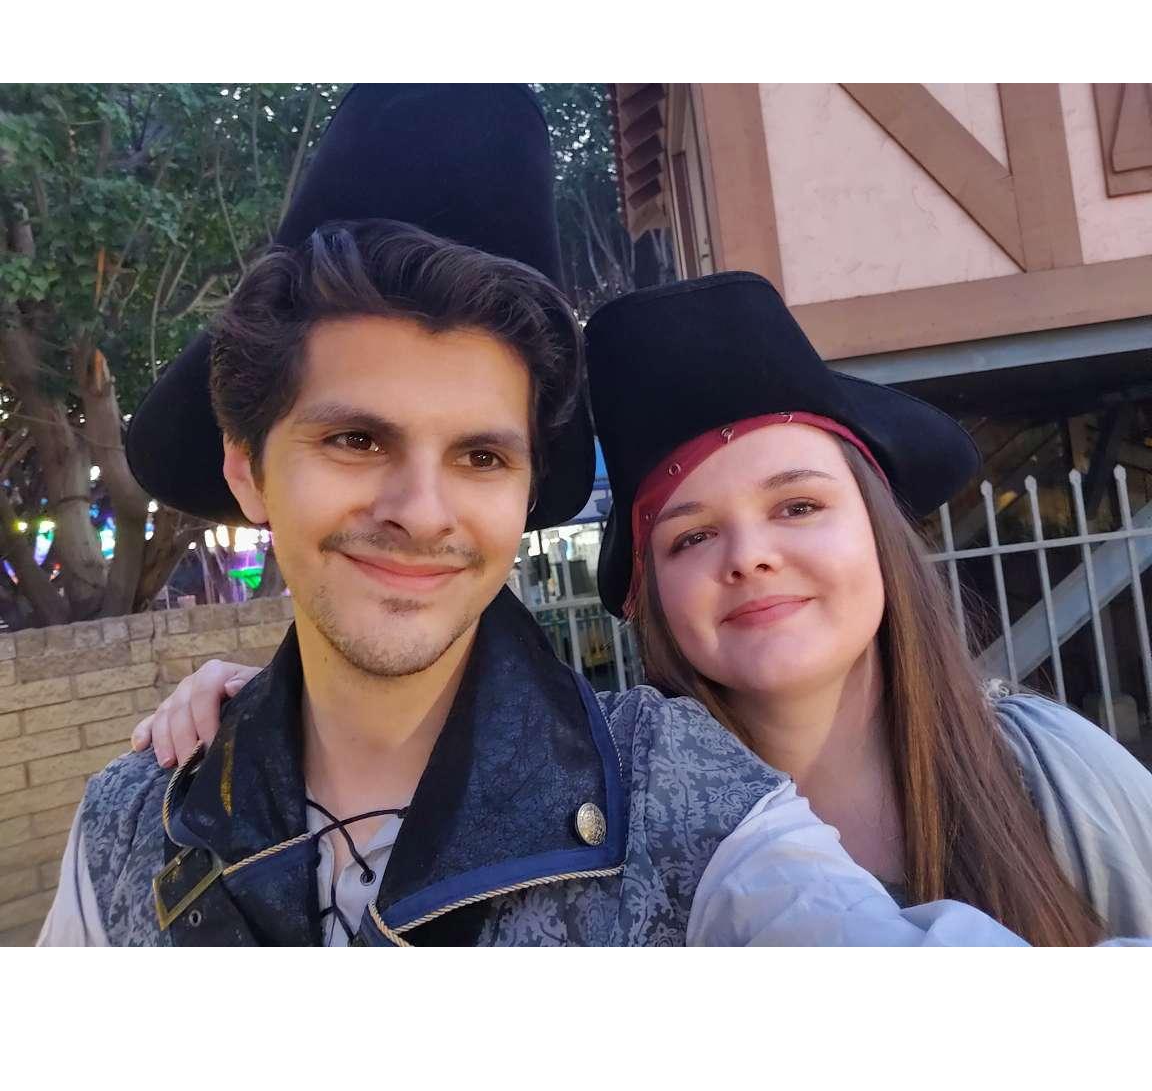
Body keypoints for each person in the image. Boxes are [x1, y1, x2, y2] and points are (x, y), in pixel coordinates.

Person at [42, 85, 1016, 949]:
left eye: (480, 456)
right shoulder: (130, 826)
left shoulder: (680, 795)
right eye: (357, 441)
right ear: (249, 472)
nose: (423, 513)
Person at [583, 272, 1152, 946]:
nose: (749, 555)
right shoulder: (610, 857)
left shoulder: (1055, 771)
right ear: (654, 601)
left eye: (798, 506)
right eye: (692, 536)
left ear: (880, 534)